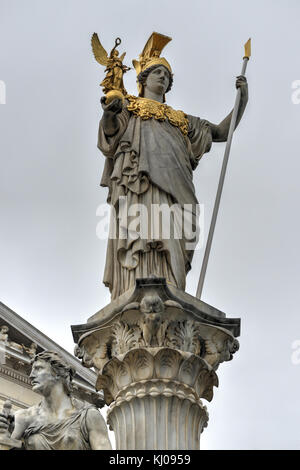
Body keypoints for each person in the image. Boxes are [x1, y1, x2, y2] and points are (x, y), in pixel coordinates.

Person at [98, 32, 248, 300]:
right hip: (139, 187)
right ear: (143, 79)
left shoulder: (181, 119)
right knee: (142, 231)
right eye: (157, 73)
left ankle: (172, 286)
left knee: (172, 232)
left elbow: (221, 132)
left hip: (177, 189)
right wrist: (110, 111)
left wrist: (242, 99)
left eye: (167, 76)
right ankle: (135, 287)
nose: (163, 78)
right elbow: (110, 135)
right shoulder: (130, 108)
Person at [0, 351, 112, 450]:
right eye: (31, 370)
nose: (31, 375)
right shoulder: (23, 417)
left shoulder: (88, 416)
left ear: (58, 373)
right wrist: (5, 436)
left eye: (38, 369)